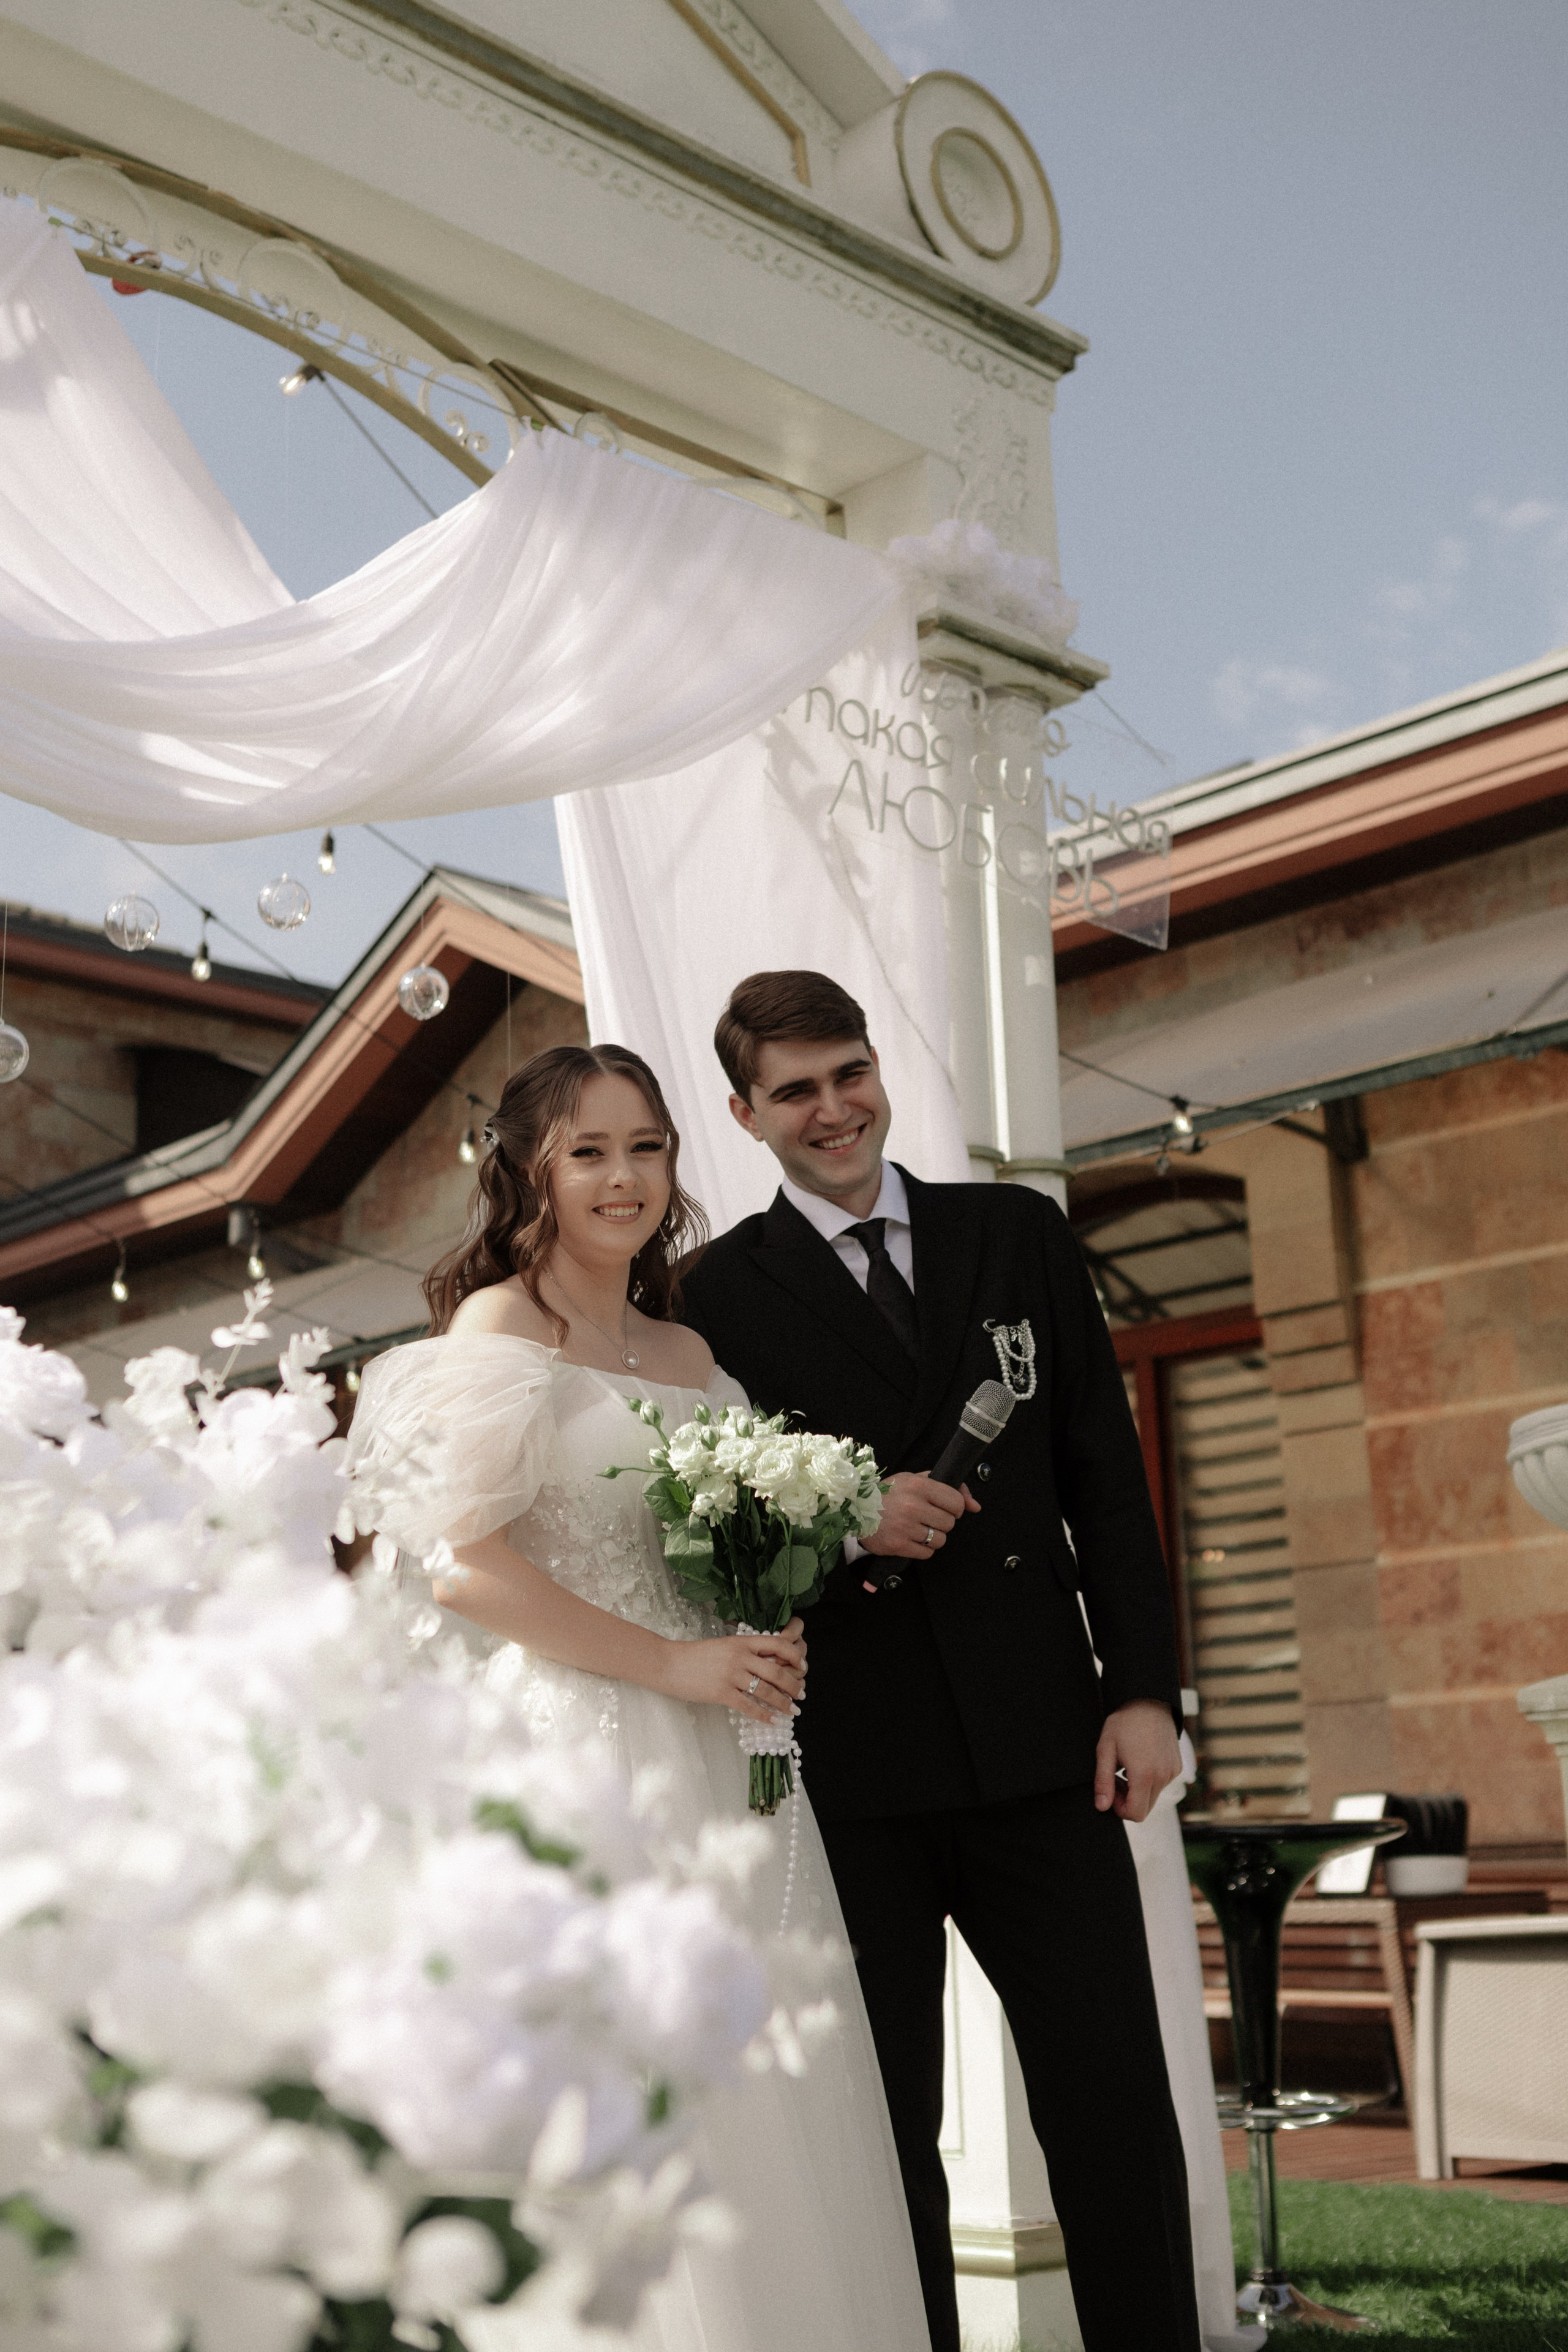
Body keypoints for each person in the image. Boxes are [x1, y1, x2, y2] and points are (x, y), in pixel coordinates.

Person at [344, 1041, 932, 2352]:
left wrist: (763, 1620)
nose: (624, 1178)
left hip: (734, 1748)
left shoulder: (686, 1345)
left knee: (766, 2069)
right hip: (592, 1747)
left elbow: (726, 1542)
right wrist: (673, 1662)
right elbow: (462, 1568)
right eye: (588, 1151)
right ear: (530, 1171)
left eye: (646, 1147)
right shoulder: (500, 1326)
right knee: (637, 2071)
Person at [678, 970, 1202, 2352]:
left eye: (847, 1073)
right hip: (853, 1769)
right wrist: (848, 1524)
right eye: (794, 1090)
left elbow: (1103, 1464)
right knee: (882, 2125)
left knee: (1107, 2095)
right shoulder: (709, 1295)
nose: (832, 1108)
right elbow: (707, 1547)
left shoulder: (1012, 1233)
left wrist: (1142, 1691)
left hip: (1045, 1742)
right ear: (744, 1114)